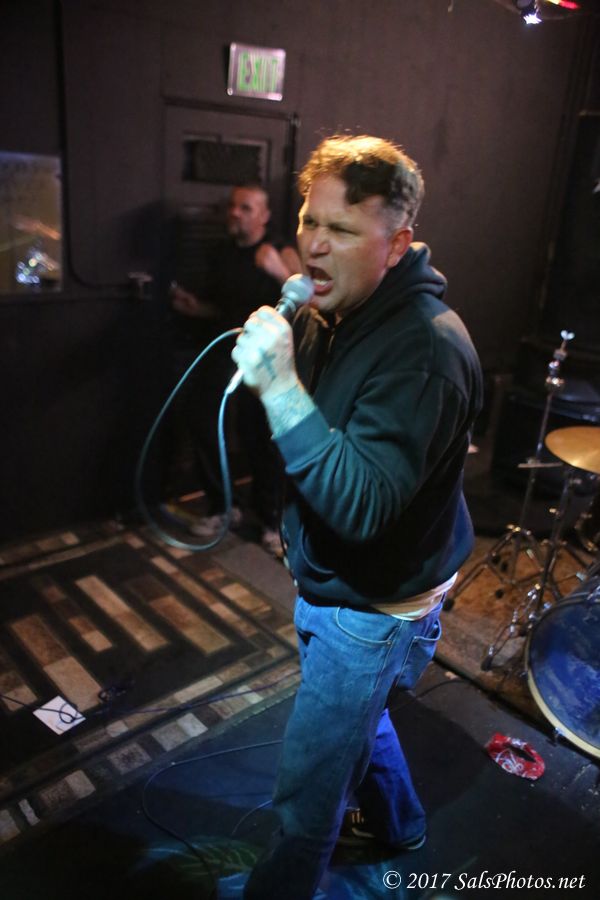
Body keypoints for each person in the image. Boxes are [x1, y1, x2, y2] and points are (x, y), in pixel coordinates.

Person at [229, 135, 483, 899]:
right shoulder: (331, 313)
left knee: (308, 792)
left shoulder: (425, 350)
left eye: (340, 229)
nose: (313, 243)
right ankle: (399, 822)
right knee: (360, 721)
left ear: (396, 244)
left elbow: (362, 506)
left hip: (372, 606)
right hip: (332, 579)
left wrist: (278, 387)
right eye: (310, 220)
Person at [170, 183, 301, 556]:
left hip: (266, 357)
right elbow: (222, 308)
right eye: (232, 206)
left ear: (264, 215)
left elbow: (308, 299)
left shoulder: (279, 249)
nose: (234, 213)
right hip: (226, 350)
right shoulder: (223, 253)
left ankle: (272, 518)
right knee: (203, 419)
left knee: (261, 436)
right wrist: (194, 308)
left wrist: (278, 271)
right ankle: (223, 505)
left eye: (245, 208)